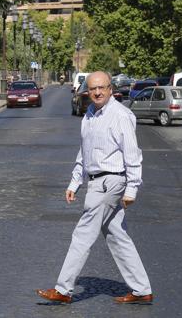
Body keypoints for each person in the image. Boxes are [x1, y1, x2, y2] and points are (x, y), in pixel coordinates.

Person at [36, 71, 153, 305]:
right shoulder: (89, 114)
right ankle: (142, 290)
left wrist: (132, 189)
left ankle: (63, 289)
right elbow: (85, 151)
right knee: (117, 236)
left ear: (111, 89)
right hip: (96, 180)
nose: (97, 92)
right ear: (86, 91)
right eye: (93, 89)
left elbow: (133, 155)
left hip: (111, 181)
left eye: (102, 87)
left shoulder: (121, 115)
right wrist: (75, 182)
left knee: (83, 233)